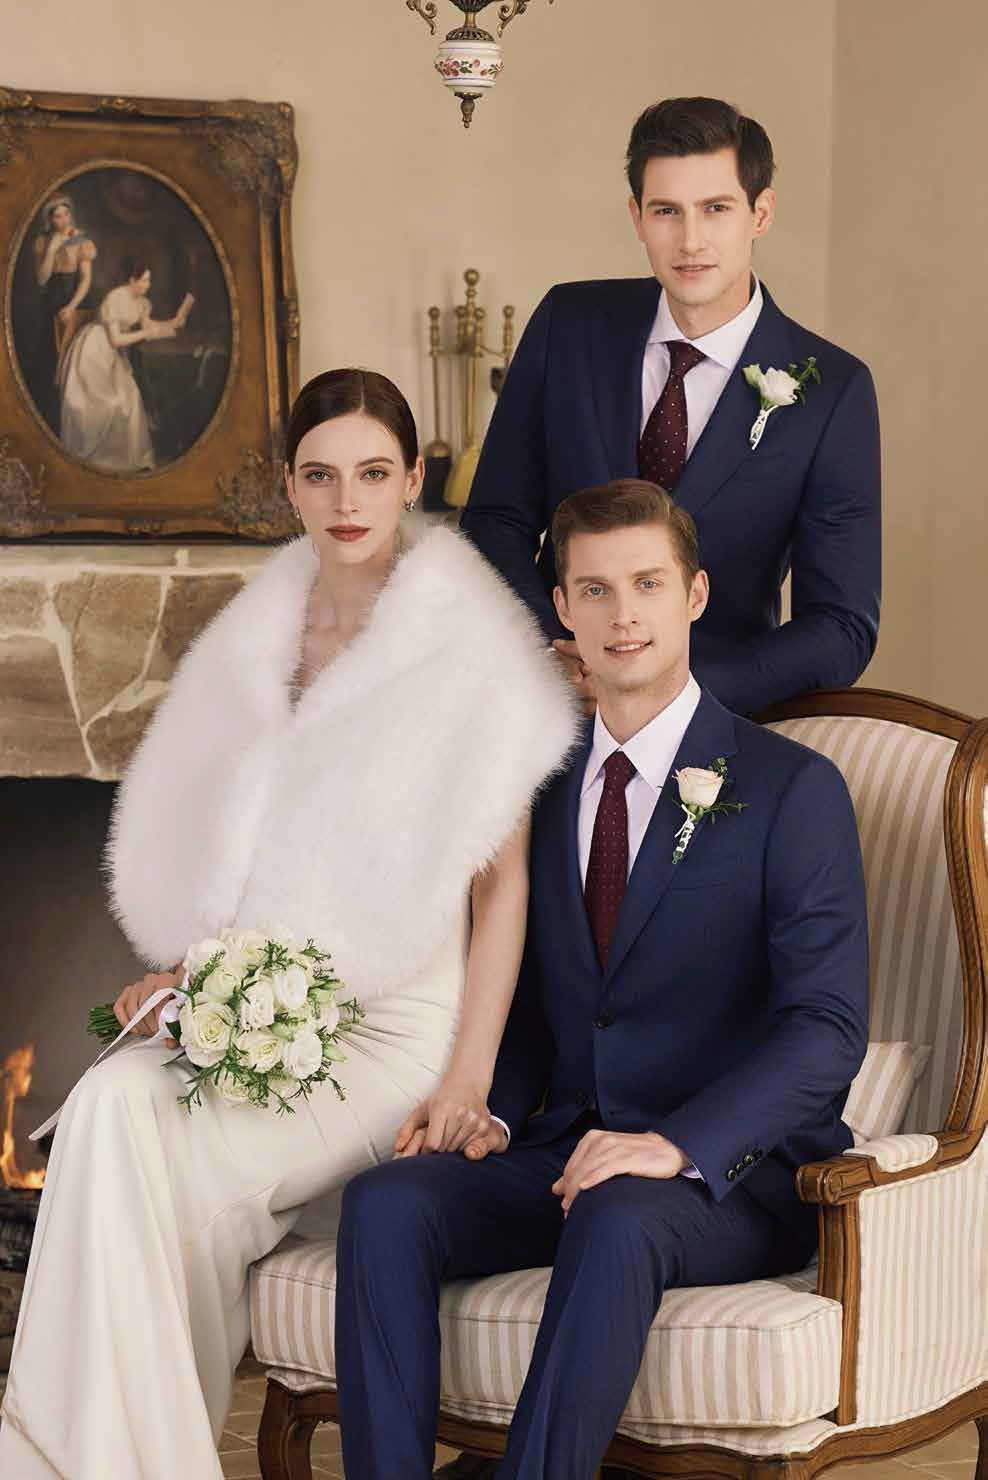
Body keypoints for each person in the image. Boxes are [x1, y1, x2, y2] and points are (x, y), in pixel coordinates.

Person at [0, 369, 579, 1479]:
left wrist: (465, 1078)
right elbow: (246, 850)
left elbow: (497, 889)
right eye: (321, 475)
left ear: (414, 479)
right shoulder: (256, 636)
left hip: (395, 1034)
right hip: (270, 1006)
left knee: (156, 1160)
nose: (348, 499)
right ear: (290, 488)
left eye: (373, 473)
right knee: (111, 1103)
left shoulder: (471, 653)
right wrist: (185, 973)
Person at [336, 480, 869, 1480]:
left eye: (646, 584)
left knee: (621, 1215)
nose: (623, 613)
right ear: (564, 612)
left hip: (726, 1178)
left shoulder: (793, 788)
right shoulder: (535, 780)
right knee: (386, 1201)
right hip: (562, 1148)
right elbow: (546, 1003)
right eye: (594, 589)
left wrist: (674, 1144)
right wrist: (489, 1110)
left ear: (694, 595)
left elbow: (826, 1028)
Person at [460, 97, 881, 718]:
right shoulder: (567, 325)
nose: (690, 241)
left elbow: (842, 623)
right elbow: (495, 518)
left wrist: (681, 694)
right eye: (666, 211)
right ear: (636, 216)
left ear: (760, 213)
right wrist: (561, 647)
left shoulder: (834, 391)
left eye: (715, 209)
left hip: (713, 728)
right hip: (546, 706)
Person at [58, 256, 190, 474]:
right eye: (145, 280)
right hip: (93, 354)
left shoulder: (143, 303)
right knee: (112, 403)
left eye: (149, 280)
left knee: (130, 398)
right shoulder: (114, 299)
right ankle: (102, 460)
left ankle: (130, 461)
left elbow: (149, 328)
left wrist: (173, 323)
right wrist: (144, 333)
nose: (148, 285)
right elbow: (115, 340)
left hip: (113, 357)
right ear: (131, 280)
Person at [31, 193, 98, 429]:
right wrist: (51, 250)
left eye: (66, 213)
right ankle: (55, 424)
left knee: (75, 362)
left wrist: (71, 307)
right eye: (58, 216)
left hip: (77, 303)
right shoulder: (43, 241)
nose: (64, 220)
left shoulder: (81, 240)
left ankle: (79, 424)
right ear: (50, 220)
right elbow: (41, 280)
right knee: (51, 361)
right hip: (50, 304)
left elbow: (86, 280)